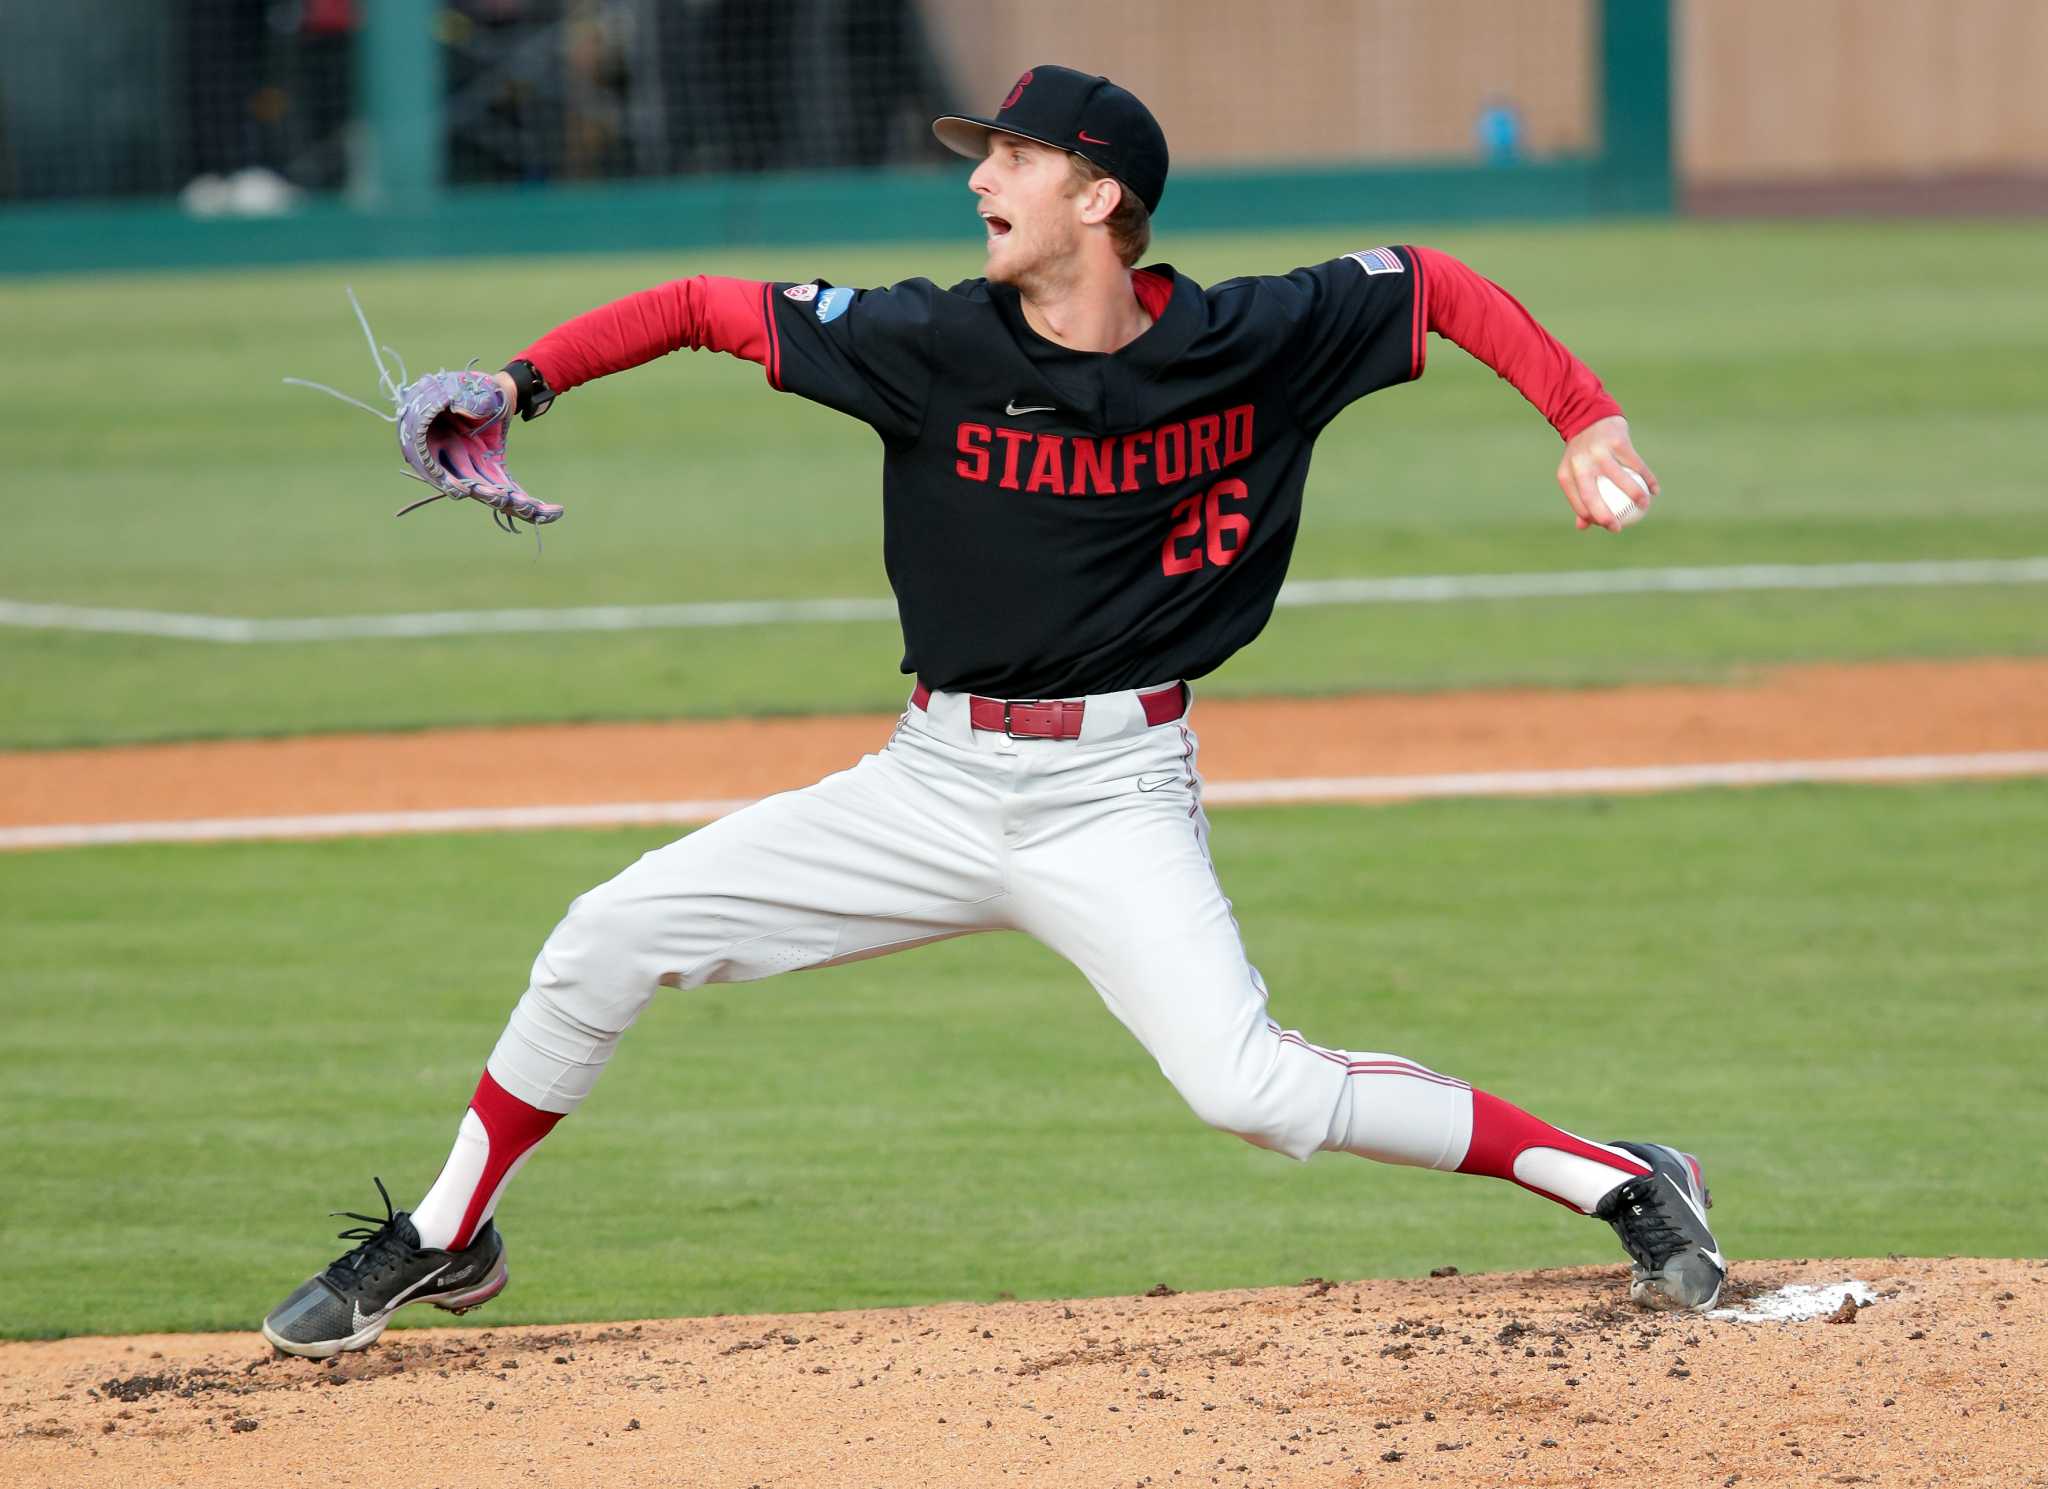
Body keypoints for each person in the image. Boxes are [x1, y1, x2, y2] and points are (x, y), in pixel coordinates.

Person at [261, 65, 1722, 1359]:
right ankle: (452, 1229)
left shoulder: (1255, 337)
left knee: (1251, 1089)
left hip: (1117, 794)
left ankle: (1621, 1175)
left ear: (1100, 194)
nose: (979, 177)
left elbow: (1434, 281)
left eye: (1013, 157)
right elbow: (707, 307)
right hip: (925, 787)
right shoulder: (931, 343)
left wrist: (1582, 413)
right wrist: (522, 380)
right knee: (606, 934)